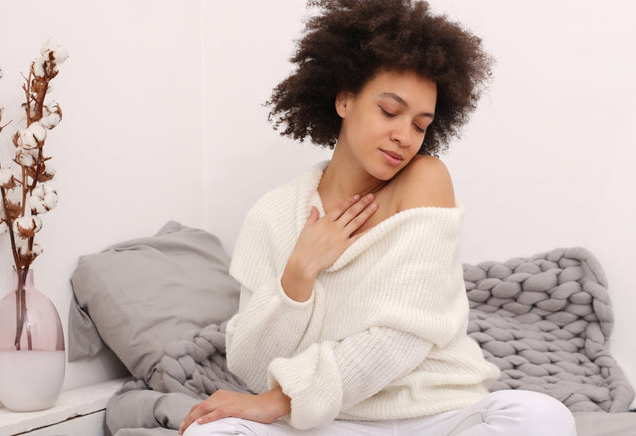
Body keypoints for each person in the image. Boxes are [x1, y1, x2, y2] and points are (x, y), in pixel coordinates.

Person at [181, 0, 577, 434]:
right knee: (212, 432)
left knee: (541, 417)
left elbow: (401, 339)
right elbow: (252, 371)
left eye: (420, 125)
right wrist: (299, 273)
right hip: (323, 422)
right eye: (390, 111)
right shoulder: (273, 214)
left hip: (432, 416)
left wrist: (280, 398)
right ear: (345, 99)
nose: (404, 136)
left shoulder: (424, 181)